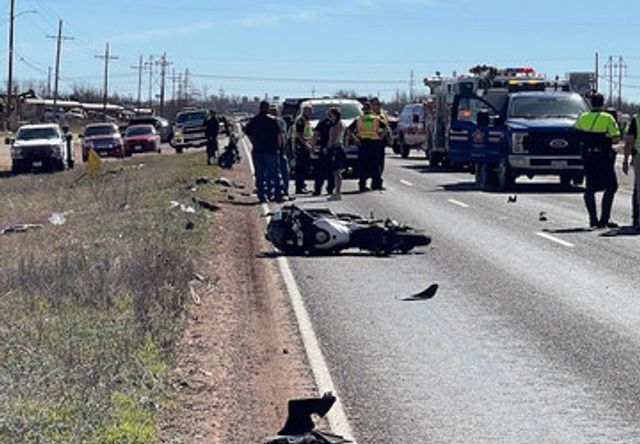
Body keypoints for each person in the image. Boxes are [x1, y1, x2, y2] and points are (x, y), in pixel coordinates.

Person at [575, 93, 621, 228]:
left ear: (590, 103)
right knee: (611, 186)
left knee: (590, 188)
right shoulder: (607, 118)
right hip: (604, 156)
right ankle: (604, 219)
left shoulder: (583, 117)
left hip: (589, 156)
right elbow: (616, 138)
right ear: (603, 103)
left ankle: (592, 219)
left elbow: (576, 132)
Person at [245, 101, 283, 203]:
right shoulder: (272, 120)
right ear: (267, 108)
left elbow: (248, 133)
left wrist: (254, 142)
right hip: (271, 151)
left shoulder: (253, 120)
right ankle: (278, 195)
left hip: (258, 151)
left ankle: (262, 197)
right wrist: (278, 147)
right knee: (274, 174)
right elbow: (279, 136)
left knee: (259, 175)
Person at [349, 102, 386, 192]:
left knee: (363, 165)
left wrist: (355, 139)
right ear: (370, 110)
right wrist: (381, 137)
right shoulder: (376, 119)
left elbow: (349, 130)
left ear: (363, 111)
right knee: (375, 165)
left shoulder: (359, 119)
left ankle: (362, 185)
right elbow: (385, 128)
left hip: (363, 144)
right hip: (374, 143)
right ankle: (376, 185)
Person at [311, 107, 346, 199]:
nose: (328, 116)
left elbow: (333, 138)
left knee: (336, 172)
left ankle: (337, 192)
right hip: (335, 148)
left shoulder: (336, 125)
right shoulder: (331, 124)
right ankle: (335, 192)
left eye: (330, 115)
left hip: (335, 149)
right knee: (335, 172)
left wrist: (327, 148)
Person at [623, 109, 640, 230]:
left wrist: (625, 160)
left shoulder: (636, 120)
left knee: (638, 188)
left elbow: (629, 142)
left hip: (639, 155)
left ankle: (637, 219)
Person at [270, 105, 290, 199]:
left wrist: (281, 148)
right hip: (270, 151)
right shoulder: (268, 122)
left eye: (275, 111)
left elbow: (283, 136)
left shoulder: (281, 122)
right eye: (272, 111)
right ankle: (272, 191)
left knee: (284, 171)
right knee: (271, 172)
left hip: (280, 150)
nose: (274, 113)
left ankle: (285, 190)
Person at [293, 105, 314, 194]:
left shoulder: (306, 121)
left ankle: (302, 185)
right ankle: (299, 187)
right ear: (304, 111)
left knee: (306, 167)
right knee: (301, 167)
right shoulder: (301, 120)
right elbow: (299, 134)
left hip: (305, 145)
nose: (311, 113)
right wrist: (306, 145)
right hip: (301, 146)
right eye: (309, 111)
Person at [370, 97, 389, 176]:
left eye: (379, 104)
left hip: (381, 140)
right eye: (375, 104)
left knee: (380, 161)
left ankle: (378, 180)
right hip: (371, 140)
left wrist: (383, 137)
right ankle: (374, 180)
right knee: (372, 162)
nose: (377, 106)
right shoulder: (369, 115)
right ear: (371, 105)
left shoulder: (383, 114)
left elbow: (386, 127)